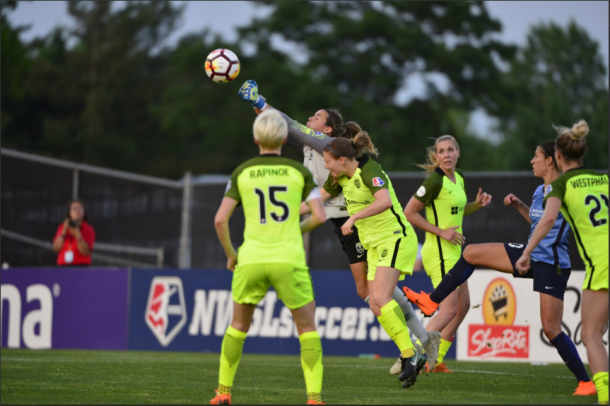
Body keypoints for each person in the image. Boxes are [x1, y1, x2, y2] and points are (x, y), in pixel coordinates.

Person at [237, 80, 441, 373]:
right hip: (341, 222)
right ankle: (420, 339)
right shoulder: (310, 146)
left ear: (329, 129)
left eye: (316, 117)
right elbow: (277, 127)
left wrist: (259, 101)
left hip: (357, 222)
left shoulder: (327, 146)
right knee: (369, 291)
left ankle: (412, 345)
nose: (309, 120)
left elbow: (290, 122)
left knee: (373, 293)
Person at [404, 141, 597, 395]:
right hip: (529, 255)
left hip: (551, 264)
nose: (532, 161)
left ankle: (586, 382)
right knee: (471, 253)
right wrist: (519, 205)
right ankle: (431, 301)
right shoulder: (541, 190)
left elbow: (555, 222)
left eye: (536, 156)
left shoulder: (564, 188)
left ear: (550, 160)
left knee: (551, 328)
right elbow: (538, 220)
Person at [211, 109, 327, 405]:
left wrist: (231, 255)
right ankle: (314, 398)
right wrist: (293, 229)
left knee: (238, 326)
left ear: (255, 138)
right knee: (307, 328)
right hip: (288, 258)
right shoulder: (298, 172)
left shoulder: (242, 172)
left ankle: (223, 392)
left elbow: (220, 220)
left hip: (250, 258)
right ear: (285, 138)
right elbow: (319, 216)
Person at [302, 133, 427, 389]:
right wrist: (286, 209)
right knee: (375, 303)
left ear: (342, 159)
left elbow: (385, 201)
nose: (325, 166)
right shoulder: (340, 176)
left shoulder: (369, 170)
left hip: (395, 238)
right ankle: (410, 353)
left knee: (381, 297)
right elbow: (319, 196)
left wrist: (353, 218)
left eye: (327, 161)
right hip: (375, 244)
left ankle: (413, 353)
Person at [516, 121, 608, 404]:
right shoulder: (603, 179)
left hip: (601, 265)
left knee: (591, 335)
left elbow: (546, 220)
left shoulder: (560, 185)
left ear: (557, 157)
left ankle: (604, 397)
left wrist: (526, 252)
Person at [402, 135, 491, 372]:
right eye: (441, 151)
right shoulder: (433, 181)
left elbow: (457, 212)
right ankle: (410, 357)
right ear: (436, 157)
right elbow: (409, 212)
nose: (446, 155)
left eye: (450, 150)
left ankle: (435, 359)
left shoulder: (458, 177)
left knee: (463, 307)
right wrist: (440, 232)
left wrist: (476, 205)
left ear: (458, 152)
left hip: (455, 253)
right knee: (449, 310)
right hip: (440, 254)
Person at [52, 199, 95, 266]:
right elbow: (56, 248)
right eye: (74, 208)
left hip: (81, 265)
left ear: (84, 212)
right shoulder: (62, 227)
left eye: (80, 208)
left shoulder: (88, 229)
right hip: (63, 265)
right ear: (69, 212)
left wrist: (78, 235)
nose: (77, 211)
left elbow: (85, 252)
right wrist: (64, 231)